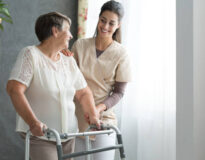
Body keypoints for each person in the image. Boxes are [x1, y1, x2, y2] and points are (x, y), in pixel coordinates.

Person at [6, 12, 100, 160]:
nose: (70, 35)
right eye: (67, 30)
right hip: (41, 136)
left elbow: (83, 92)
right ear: (55, 31)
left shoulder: (68, 60)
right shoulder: (30, 55)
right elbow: (14, 89)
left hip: (69, 135)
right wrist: (33, 122)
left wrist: (93, 115)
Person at [67, 1, 132, 160]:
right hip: (78, 119)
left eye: (111, 23)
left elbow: (118, 93)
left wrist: (98, 108)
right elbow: (68, 79)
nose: (105, 26)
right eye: (103, 20)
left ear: (118, 25)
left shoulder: (121, 53)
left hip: (104, 120)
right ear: (98, 19)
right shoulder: (80, 45)